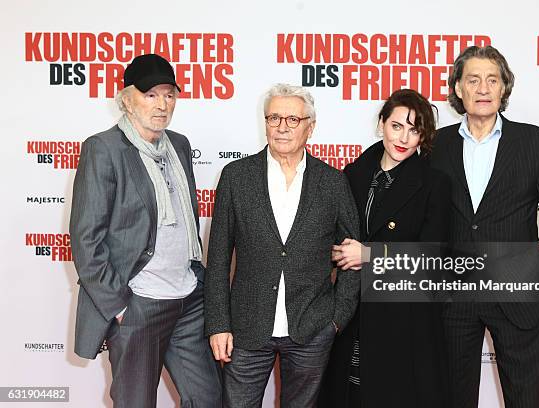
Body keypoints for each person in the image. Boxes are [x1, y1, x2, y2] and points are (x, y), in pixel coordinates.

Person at [429, 45, 539, 408]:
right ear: (459, 89)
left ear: (503, 89)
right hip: (453, 301)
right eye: (473, 80)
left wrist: (536, 289)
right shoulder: (436, 145)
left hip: (517, 297)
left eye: (492, 80)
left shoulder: (537, 143)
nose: (483, 88)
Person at [70, 53, 222, 408]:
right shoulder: (104, 149)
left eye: (169, 95)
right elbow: (86, 238)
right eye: (150, 94)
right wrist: (120, 307)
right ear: (126, 99)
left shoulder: (179, 145)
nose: (162, 104)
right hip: (139, 302)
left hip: (187, 298)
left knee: (208, 397)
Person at [204, 83, 360, 408]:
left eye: (292, 119)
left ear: (310, 127)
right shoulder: (236, 177)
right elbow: (217, 258)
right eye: (274, 118)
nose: (282, 127)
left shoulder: (332, 183)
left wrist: (336, 320)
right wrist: (218, 324)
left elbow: (352, 255)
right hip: (246, 329)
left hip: (312, 328)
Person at [319, 88, 451, 407]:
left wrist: (370, 254)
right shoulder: (353, 174)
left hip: (404, 316)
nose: (403, 137)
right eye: (396, 126)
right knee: (350, 395)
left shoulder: (435, 184)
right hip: (354, 310)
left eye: (414, 129)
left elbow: (433, 257)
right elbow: (333, 239)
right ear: (381, 124)